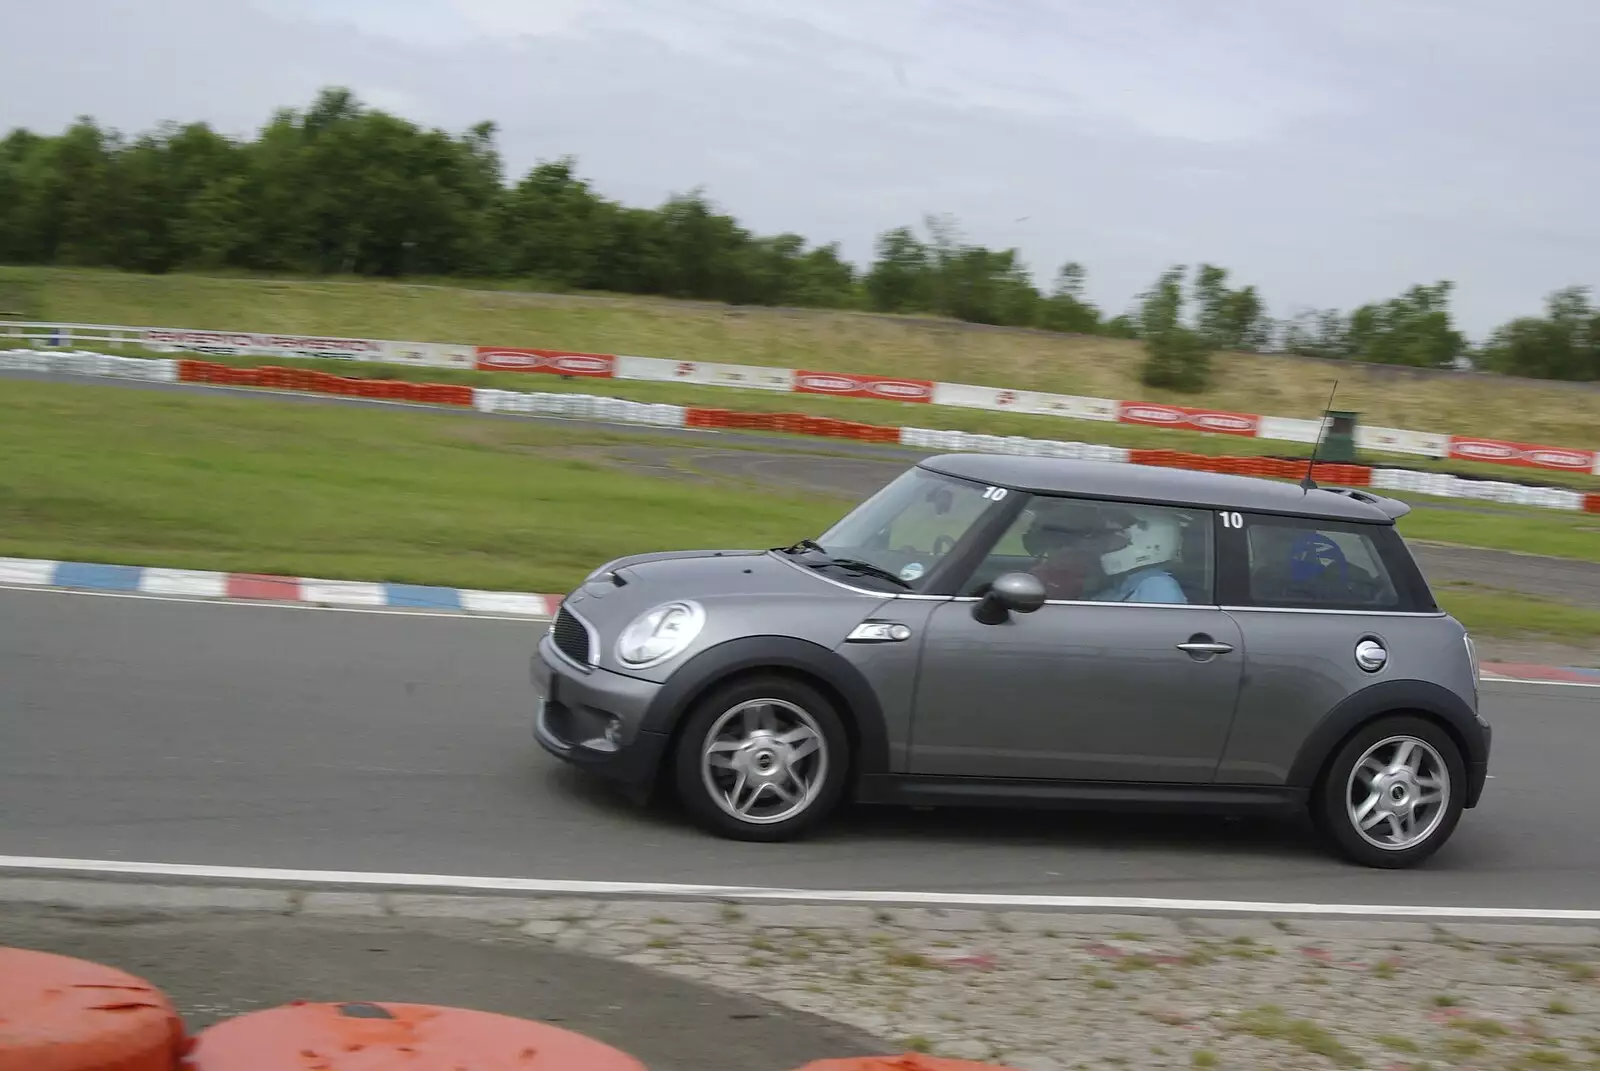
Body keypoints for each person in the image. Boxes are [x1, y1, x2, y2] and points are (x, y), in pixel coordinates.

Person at [1085, 509, 1188, 604]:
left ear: (1149, 542)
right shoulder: (1120, 587)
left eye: (1117, 534)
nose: (1106, 543)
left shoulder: (1158, 586)